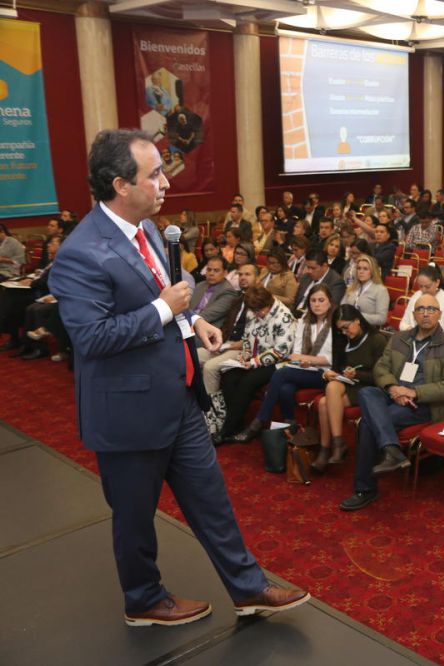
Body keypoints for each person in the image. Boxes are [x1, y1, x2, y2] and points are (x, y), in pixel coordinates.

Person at [48, 128, 307, 627]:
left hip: (177, 398)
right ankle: (143, 600)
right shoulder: (81, 253)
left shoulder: (147, 229)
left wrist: (195, 320)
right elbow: (93, 339)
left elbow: (174, 291)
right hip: (127, 413)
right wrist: (162, 310)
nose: (166, 182)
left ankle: (249, 588)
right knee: (135, 519)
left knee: (213, 502)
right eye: (155, 174)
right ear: (121, 185)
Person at [339, 293, 444, 511]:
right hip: (393, 395)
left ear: (440, 314)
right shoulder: (399, 338)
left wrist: (414, 392)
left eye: (432, 309)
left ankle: (366, 488)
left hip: (424, 405)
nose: (426, 313)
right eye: (421, 309)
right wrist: (392, 387)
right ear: (414, 314)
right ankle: (392, 451)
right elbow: (381, 368)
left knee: (368, 423)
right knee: (367, 393)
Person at [232, 284, 337, 443]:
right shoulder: (304, 321)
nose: (317, 304)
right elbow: (295, 352)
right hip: (304, 368)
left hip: (326, 373)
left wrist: (306, 359)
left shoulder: (335, 324)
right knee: (285, 388)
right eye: (313, 300)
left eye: (321, 300)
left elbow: (331, 359)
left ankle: (259, 421)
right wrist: (303, 360)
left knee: (281, 373)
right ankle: (291, 426)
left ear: (330, 301)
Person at [215, 286, 297, 443]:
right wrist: (245, 356)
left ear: (269, 302)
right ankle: (236, 424)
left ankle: (227, 430)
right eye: (256, 310)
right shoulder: (252, 311)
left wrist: (253, 362)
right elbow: (247, 338)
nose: (260, 314)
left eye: (262, 309)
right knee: (230, 377)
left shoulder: (284, 316)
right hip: (255, 360)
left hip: (278, 363)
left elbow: (282, 351)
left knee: (248, 381)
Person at [313, 305, 388, 472]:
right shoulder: (342, 339)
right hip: (346, 384)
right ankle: (333, 445)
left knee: (325, 402)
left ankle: (331, 447)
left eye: (347, 327)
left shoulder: (377, 340)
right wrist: (329, 373)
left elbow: (381, 376)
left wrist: (357, 375)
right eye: (341, 330)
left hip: (368, 387)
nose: (345, 332)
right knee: (330, 387)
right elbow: (338, 367)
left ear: (357, 320)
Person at [198, 263, 258, 395]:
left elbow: (256, 337)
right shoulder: (237, 297)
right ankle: (192, 401)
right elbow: (227, 324)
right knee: (192, 356)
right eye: (240, 274)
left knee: (210, 367)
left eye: (247, 274)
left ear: (257, 278)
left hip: (244, 348)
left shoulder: (261, 300)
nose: (242, 277)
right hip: (226, 343)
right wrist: (219, 342)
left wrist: (228, 346)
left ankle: (212, 410)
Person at [399, 266, 444, 340]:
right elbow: (403, 324)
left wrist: (437, 336)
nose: (423, 290)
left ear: (437, 282)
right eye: (420, 286)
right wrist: (411, 330)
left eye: (427, 286)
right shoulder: (415, 297)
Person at [191, 256, 239, 329]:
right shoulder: (199, 285)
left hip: (207, 330)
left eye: (216, 270)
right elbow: (186, 307)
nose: (211, 273)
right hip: (190, 325)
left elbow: (207, 316)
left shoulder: (228, 292)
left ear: (225, 273)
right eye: (209, 270)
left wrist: (185, 324)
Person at [292, 250, 346, 316]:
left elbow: (329, 310)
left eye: (313, 268)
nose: (309, 271)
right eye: (308, 267)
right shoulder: (306, 277)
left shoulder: (336, 283)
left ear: (324, 266)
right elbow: (295, 301)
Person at [342, 254, 389, 326]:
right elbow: (342, 307)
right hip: (347, 328)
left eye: (365, 269)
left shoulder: (381, 290)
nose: (361, 271)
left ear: (372, 271)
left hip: (368, 329)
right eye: (359, 268)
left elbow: (381, 319)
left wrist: (357, 316)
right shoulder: (351, 287)